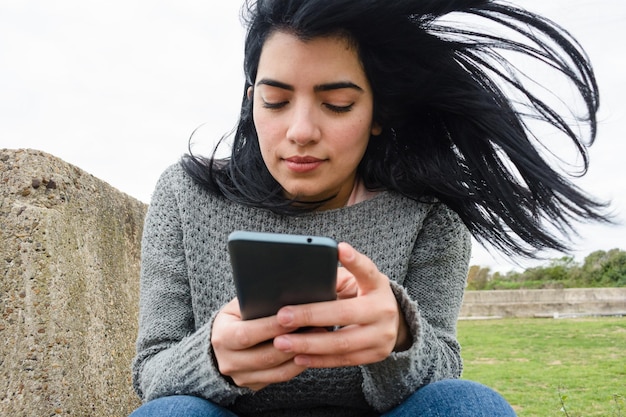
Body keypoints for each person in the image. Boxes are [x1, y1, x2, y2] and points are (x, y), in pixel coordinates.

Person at [130, 0, 609, 416]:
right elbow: (152, 373)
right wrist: (212, 357)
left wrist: (400, 338)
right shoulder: (185, 194)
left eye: (336, 104)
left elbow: (444, 366)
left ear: (377, 114)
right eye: (275, 101)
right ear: (251, 101)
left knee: (471, 404)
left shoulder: (429, 212)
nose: (300, 131)